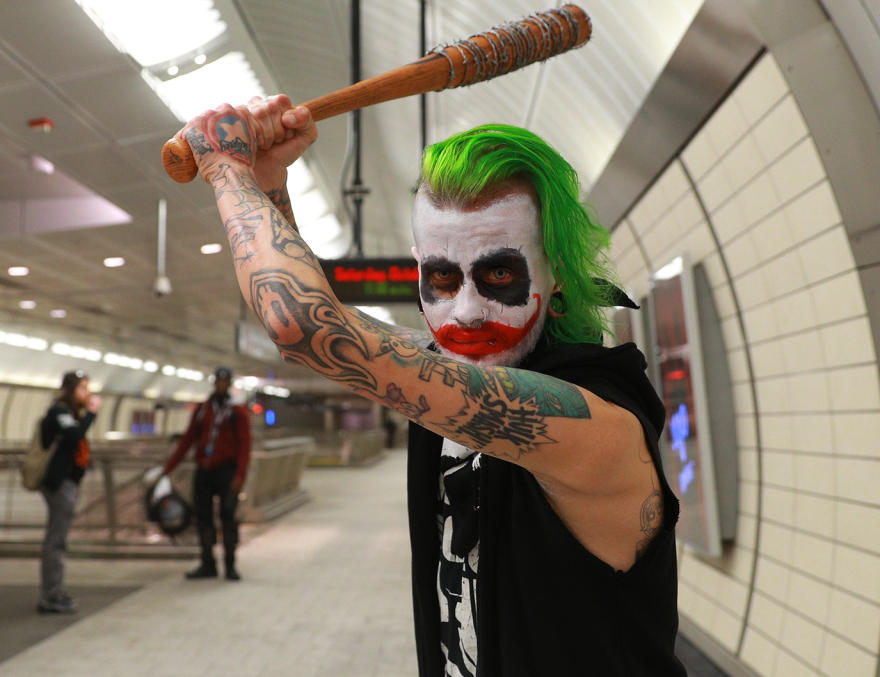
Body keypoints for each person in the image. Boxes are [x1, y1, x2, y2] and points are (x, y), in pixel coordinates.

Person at [178, 95, 686, 675]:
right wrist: (269, 179)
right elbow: (332, 321)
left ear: (558, 272)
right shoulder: (447, 366)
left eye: (499, 273)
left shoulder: (595, 425)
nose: (466, 312)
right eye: (442, 277)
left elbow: (302, 324)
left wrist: (227, 168)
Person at [161, 366, 252, 581]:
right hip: (204, 470)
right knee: (203, 518)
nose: (221, 385)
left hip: (227, 472)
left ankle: (230, 565)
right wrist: (169, 468)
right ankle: (207, 563)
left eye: (224, 381)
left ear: (229, 384)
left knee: (228, 517)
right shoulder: (203, 409)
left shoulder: (236, 411)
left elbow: (245, 445)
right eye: (218, 381)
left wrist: (241, 475)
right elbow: (188, 439)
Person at [37, 370, 100, 614]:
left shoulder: (70, 413)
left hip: (68, 483)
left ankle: (54, 589)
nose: (87, 393)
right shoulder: (59, 412)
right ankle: (50, 594)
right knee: (56, 539)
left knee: (58, 538)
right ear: (70, 390)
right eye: (83, 388)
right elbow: (75, 435)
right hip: (58, 484)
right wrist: (92, 413)